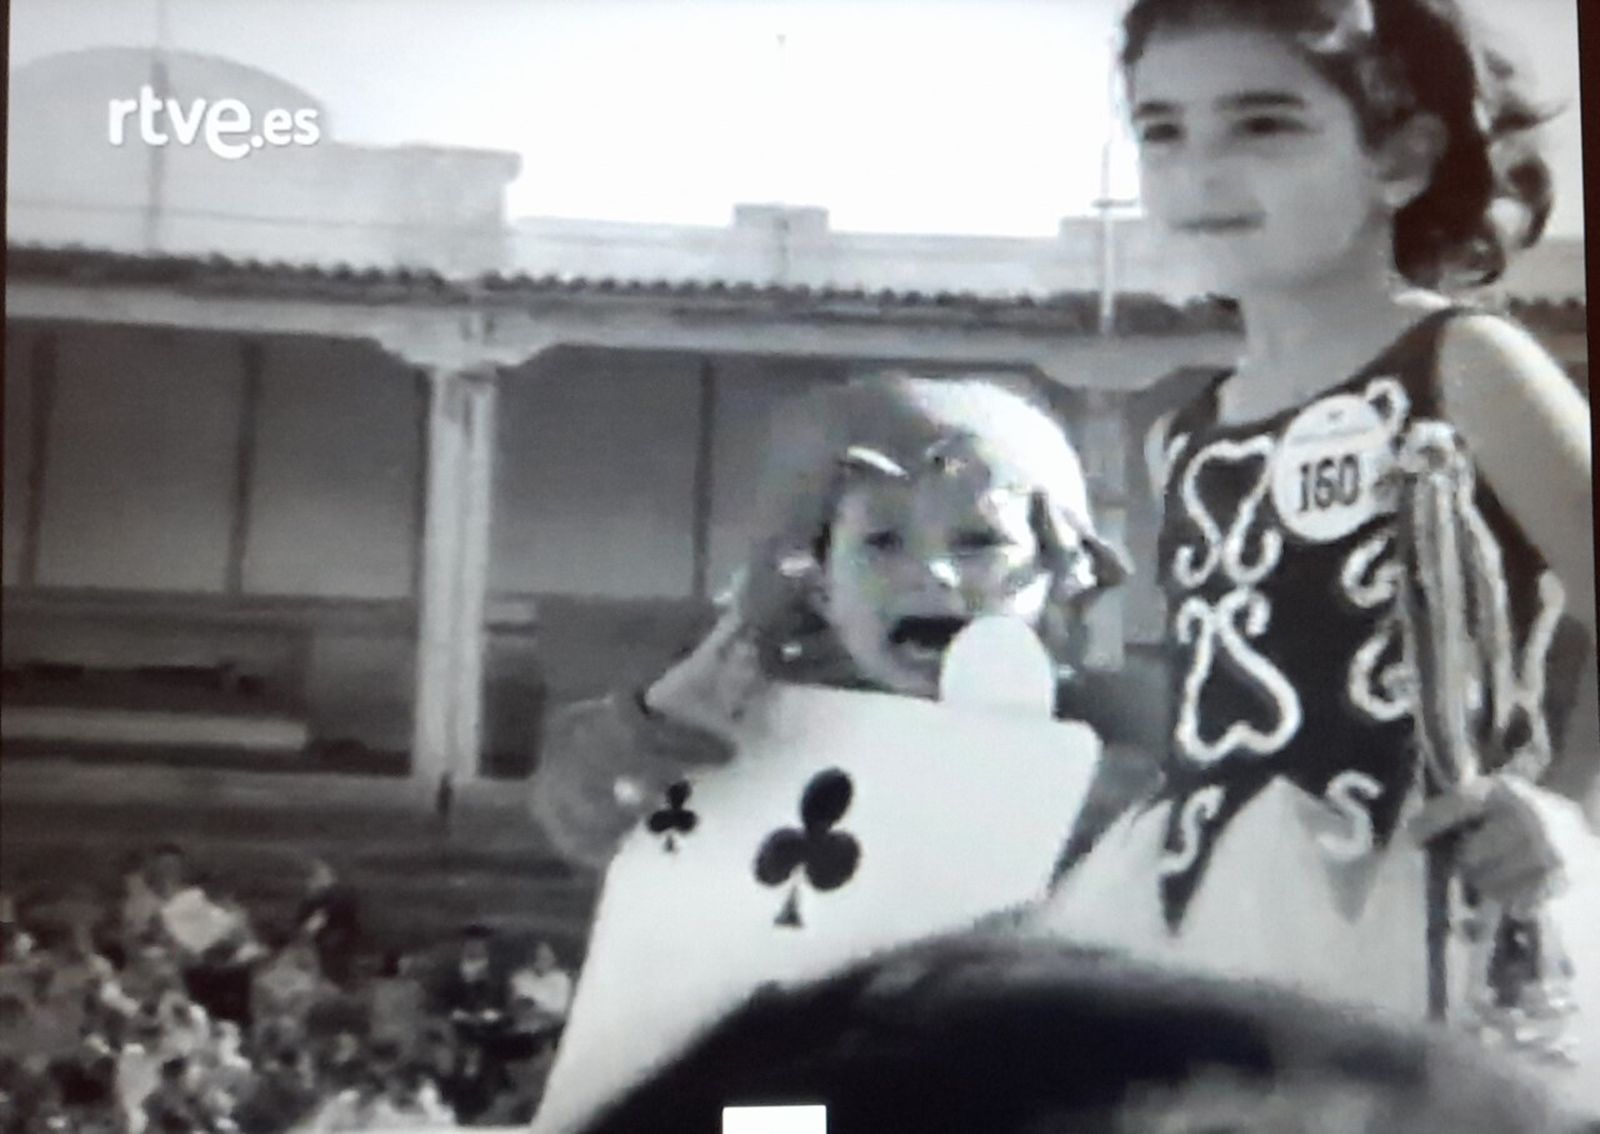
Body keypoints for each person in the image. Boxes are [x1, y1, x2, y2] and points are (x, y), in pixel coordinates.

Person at [1028, 0, 1596, 1034]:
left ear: (1400, 159)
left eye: (1263, 125)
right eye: (1162, 130)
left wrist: (1569, 807)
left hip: (1431, 910)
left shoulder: (1465, 366)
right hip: (1203, 913)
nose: (1201, 171)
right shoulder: (1186, 437)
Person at [529, 373, 1135, 871]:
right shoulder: (744, 739)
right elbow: (585, 814)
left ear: (1058, 574)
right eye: (882, 542)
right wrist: (658, 722)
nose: (934, 573)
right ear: (817, 585)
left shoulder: (1102, 782)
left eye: (979, 541)